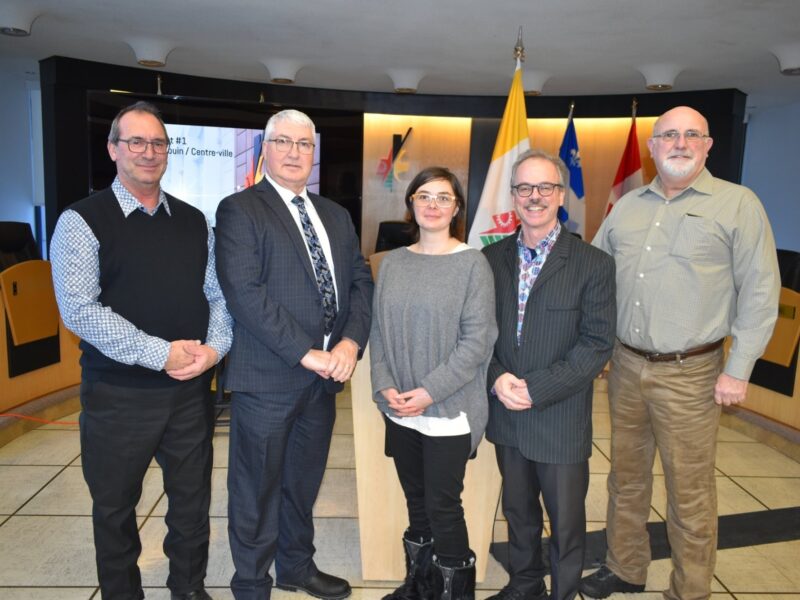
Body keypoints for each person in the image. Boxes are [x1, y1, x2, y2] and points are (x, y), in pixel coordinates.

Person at [580, 106, 781, 600]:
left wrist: (738, 370)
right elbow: (595, 277)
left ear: (708, 145)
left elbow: (760, 291)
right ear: (652, 146)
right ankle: (624, 568)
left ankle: (690, 591)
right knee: (625, 480)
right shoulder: (627, 206)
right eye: (669, 134)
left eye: (692, 134)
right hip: (625, 366)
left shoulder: (738, 204)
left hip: (691, 373)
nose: (680, 142)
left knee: (689, 493)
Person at [50, 100, 232, 600]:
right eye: (136, 142)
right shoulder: (81, 221)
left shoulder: (195, 221)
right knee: (114, 510)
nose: (148, 152)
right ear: (113, 149)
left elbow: (217, 295)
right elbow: (80, 311)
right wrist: (161, 354)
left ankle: (189, 589)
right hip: (118, 396)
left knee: (192, 506)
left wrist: (214, 350)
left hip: (190, 393)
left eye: (158, 143)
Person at [215, 109, 373, 600]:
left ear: (313, 153)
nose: (294, 152)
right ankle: (251, 583)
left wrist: (350, 342)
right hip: (268, 377)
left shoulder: (335, 214)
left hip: (323, 381)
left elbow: (360, 282)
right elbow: (244, 293)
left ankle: (296, 567)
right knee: (256, 489)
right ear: (266, 149)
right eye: (283, 142)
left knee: (302, 484)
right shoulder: (240, 209)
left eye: (304, 145)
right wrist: (306, 352)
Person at [482, 149, 616, 600]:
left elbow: (596, 345)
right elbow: (479, 333)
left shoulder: (592, 263)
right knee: (518, 513)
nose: (534, 197)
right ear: (513, 196)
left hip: (558, 416)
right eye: (524, 188)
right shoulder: (490, 258)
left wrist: (534, 390)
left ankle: (562, 592)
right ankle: (524, 585)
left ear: (560, 194)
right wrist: (498, 378)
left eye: (544, 187)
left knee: (565, 522)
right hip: (506, 413)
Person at [370, 167, 498, 600]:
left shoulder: (472, 264)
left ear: (457, 207)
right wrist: (385, 387)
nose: (432, 205)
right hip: (402, 409)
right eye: (424, 196)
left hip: (448, 410)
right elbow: (379, 335)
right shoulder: (392, 264)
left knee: (444, 508)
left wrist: (428, 392)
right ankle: (419, 586)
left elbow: (477, 343)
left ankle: (455, 594)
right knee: (417, 504)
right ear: (411, 204)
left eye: (443, 197)